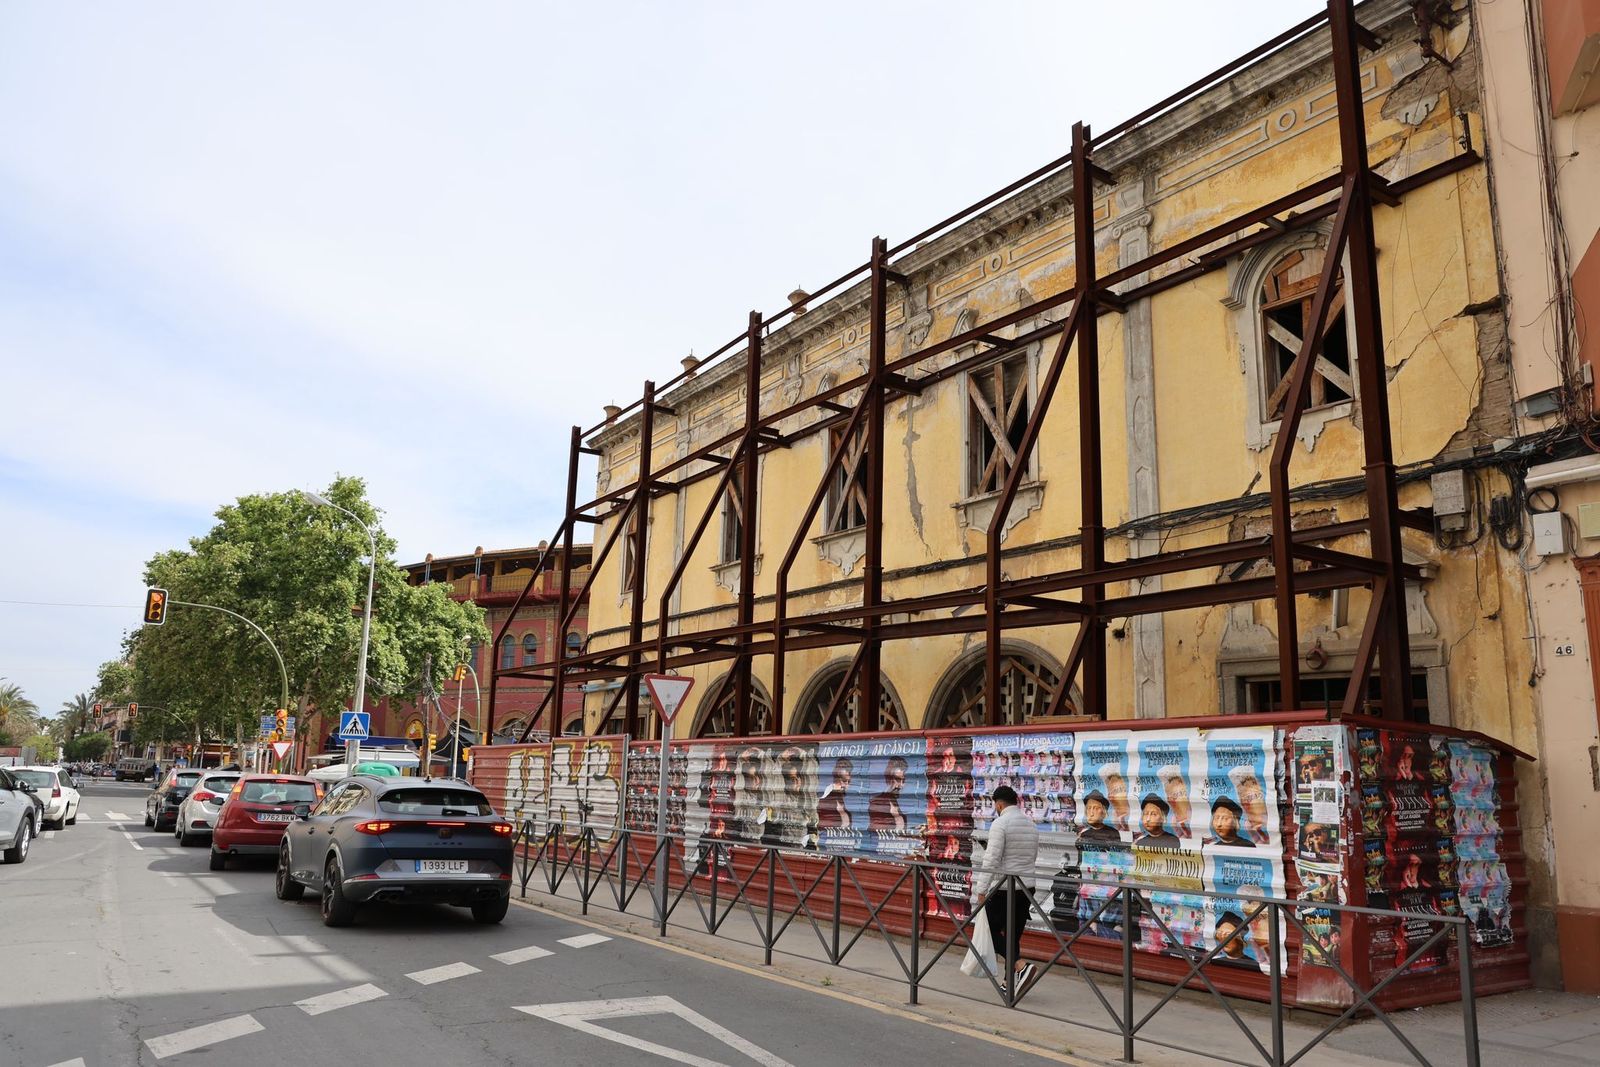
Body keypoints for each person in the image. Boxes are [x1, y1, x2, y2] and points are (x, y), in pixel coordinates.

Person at [974, 785, 1041, 997]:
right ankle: (1008, 984)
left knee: (990, 930)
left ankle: (1020, 965)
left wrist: (981, 889)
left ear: (999, 804)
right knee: (1013, 936)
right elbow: (1033, 856)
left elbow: (991, 859)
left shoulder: (1000, 823)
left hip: (1005, 887)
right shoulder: (1031, 824)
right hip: (1027, 887)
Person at [869, 756, 908, 830]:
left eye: (903, 781)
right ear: (888, 778)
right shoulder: (877, 803)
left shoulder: (896, 804)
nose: (901, 785)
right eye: (898, 779)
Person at [817, 758, 853, 829]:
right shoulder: (824, 801)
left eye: (848, 782)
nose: (844, 785)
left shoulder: (843, 803)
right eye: (843, 780)